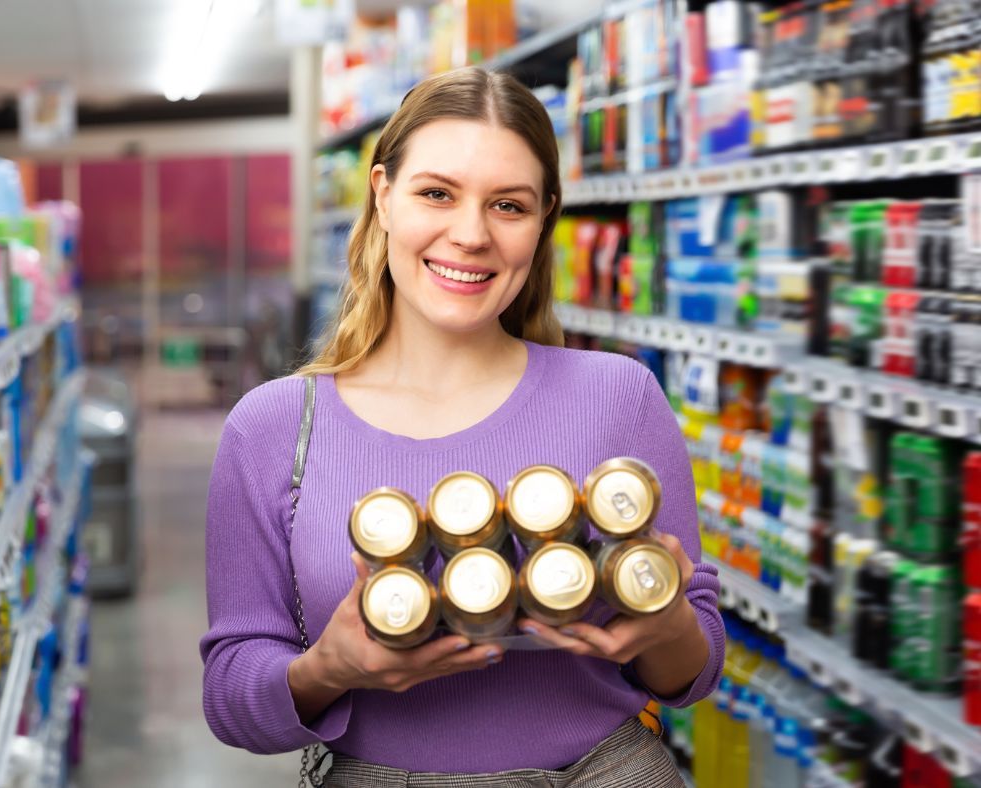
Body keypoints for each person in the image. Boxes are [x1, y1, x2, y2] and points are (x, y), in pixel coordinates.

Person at [201, 67, 724, 787]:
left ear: (543, 221)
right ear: (383, 195)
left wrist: (669, 628)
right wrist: (328, 668)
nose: (471, 234)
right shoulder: (272, 429)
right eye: (437, 193)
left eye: (508, 205)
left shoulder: (619, 396)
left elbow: (692, 674)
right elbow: (231, 697)